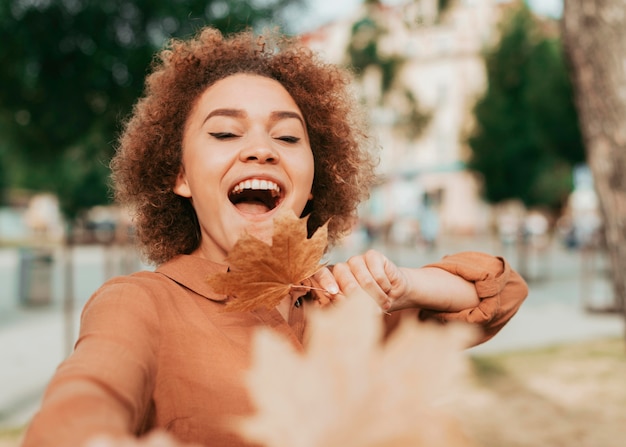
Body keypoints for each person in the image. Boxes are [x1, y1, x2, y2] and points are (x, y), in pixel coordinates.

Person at [22, 27, 528, 447]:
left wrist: (406, 286)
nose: (261, 149)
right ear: (180, 178)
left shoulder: (344, 311)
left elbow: (498, 295)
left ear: (313, 182)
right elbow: (82, 402)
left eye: (287, 137)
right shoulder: (138, 305)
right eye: (225, 133)